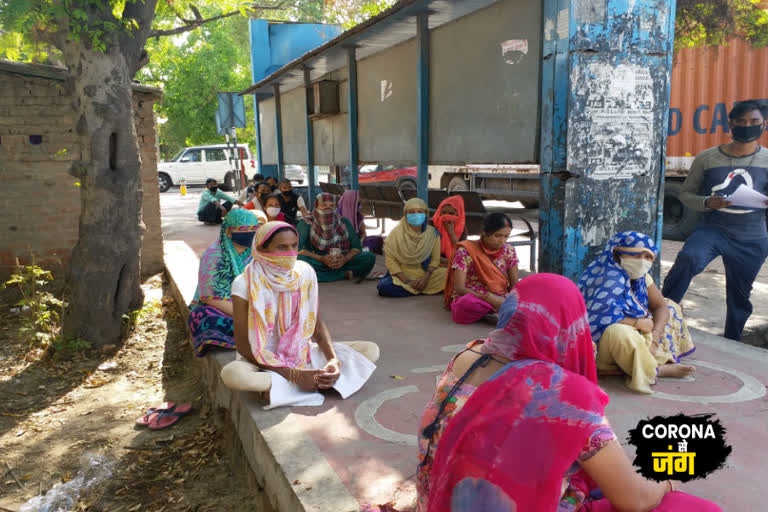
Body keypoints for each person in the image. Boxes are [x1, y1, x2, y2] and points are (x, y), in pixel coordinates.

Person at [421, 274, 721, 512]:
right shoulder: (563, 395)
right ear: (570, 326)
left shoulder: (467, 358)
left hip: (442, 499)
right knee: (697, 508)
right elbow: (636, 501)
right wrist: (666, 482)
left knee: (598, 473)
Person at [219, 221, 380, 408]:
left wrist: (332, 359)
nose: (290, 253)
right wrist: (293, 374)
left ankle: (287, 386)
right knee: (232, 375)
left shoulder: (305, 273)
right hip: (260, 359)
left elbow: (317, 328)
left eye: (294, 246)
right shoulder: (244, 283)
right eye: (282, 247)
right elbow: (244, 346)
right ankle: (295, 381)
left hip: (300, 352)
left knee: (370, 350)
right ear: (263, 248)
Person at [662, 100, 768, 341]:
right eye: (740, 122)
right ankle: (662, 319)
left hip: (751, 237)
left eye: (753, 122)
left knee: (739, 294)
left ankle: (733, 340)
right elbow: (686, 194)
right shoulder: (707, 158)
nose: (746, 126)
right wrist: (707, 202)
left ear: (763, 125)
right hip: (713, 229)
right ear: (730, 124)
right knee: (689, 259)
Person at [579, 231, 696, 394]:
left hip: (640, 332)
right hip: (600, 345)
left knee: (670, 307)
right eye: (635, 256)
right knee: (618, 332)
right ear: (617, 254)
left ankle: (641, 360)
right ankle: (654, 369)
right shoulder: (606, 276)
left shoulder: (641, 277)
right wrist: (637, 323)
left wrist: (655, 337)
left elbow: (660, 306)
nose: (642, 262)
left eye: (647, 257)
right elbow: (599, 316)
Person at [187, 210, 262, 356]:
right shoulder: (213, 256)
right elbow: (209, 297)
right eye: (244, 230)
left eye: (254, 230)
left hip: (252, 306)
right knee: (206, 318)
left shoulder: (256, 253)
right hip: (222, 307)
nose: (250, 234)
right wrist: (247, 315)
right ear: (228, 231)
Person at [444, 213, 519, 324]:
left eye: (506, 236)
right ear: (484, 233)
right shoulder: (466, 251)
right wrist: (489, 298)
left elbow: (514, 284)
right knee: (463, 305)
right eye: (497, 236)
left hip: (500, 296)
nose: (502, 241)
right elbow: (459, 288)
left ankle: (497, 311)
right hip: (475, 296)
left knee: (532, 294)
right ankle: (497, 312)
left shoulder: (509, 251)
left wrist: (510, 299)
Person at [297, 193, 376, 282]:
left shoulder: (343, 222)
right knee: (299, 260)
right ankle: (343, 274)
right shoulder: (306, 223)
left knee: (370, 257)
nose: (328, 208)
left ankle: (324, 275)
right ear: (316, 206)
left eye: (331, 206)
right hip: (317, 261)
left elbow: (356, 247)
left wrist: (345, 259)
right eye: (324, 205)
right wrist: (322, 259)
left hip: (341, 261)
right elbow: (297, 249)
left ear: (335, 207)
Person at [377, 198, 448, 297]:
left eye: (420, 211)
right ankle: (416, 288)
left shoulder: (432, 233)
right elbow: (391, 261)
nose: (416, 214)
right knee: (384, 287)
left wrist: (425, 279)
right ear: (405, 215)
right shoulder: (396, 233)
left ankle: (417, 287)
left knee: (448, 275)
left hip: (425, 273)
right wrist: (407, 281)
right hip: (403, 274)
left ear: (425, 214)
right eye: (411, 212)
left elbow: (435, 260)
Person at [431, 196, 466, 266]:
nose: (446, 216)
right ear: (439, 212)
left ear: (458, 214)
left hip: (452, 263)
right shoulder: (431, 225)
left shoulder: (462, 229)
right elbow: (428, 252)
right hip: (433, 263)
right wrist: (447, 261)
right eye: (443, 212)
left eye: (451, 213)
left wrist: (451, 233)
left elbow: (460, 251)